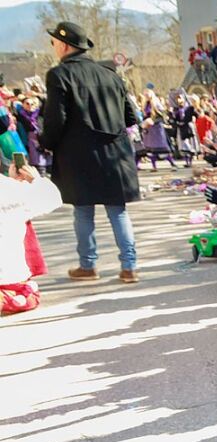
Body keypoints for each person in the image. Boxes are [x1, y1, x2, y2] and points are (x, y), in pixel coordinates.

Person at [40, 21, 141, 283]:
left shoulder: (59, 75)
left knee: (83, 211)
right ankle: (129, 267)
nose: (54, 48)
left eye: (54, 43)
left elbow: (55, 119)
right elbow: (131, 116)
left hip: (79, 155)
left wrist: (47, 142)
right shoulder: (111, 74)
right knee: (117, 211)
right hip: (115, 153)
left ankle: (88, 265)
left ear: (63, 45)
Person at [0, 163, 60, 315]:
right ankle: (9, 297)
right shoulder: (11, 189)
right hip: (9, 273)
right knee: (30, 295)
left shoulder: (11, 188)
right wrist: (35, 180)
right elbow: (52, 200)